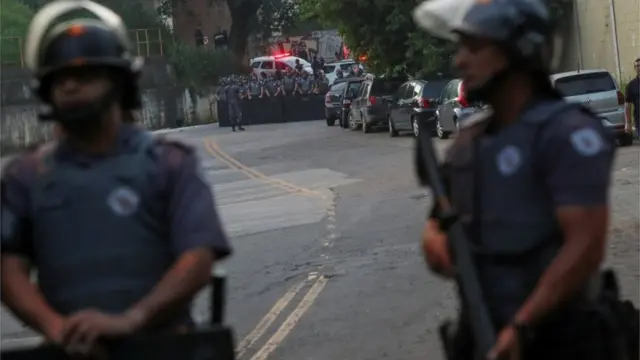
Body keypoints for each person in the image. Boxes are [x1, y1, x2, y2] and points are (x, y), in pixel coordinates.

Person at [0, 1, 233, 358]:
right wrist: (56, 328)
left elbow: (198, 257)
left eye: (88, 75)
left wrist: (133, 319)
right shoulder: (25, 177)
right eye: (61, 79)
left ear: (120, 83)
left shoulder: (169, 164)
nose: (72, 87)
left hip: (163, 348)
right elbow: (8, 269)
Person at [412, 0, 632, 359]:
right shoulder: (469, 141)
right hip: (484, 333)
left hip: (561, 340)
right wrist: (438, 240)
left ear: (518, 50)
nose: (460, 60)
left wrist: (522, 326)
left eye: (474, 46)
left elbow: (585, 246)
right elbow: (439, 220)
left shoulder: (567, 133)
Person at [624, 58, 639, 140]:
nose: (639, 68)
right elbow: (627, 106)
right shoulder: (631, 86)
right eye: (637, 66)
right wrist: (628, 123)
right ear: (635, 68)